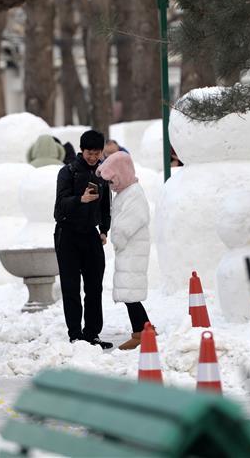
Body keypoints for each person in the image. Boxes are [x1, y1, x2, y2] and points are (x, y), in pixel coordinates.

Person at [53, 130, 113, 349]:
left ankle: (92, 333)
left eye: (97, 153)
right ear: (82, 150)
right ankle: (75, 335)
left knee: (94, 287)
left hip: (91, 234)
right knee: (71, 287)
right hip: (67, 234)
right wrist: (81, 199)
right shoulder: (67, 171)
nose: (93, 157)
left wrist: (104, 230)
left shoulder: (102, 173)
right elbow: (59, 206)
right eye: (90, 153)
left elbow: (106, 206)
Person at [96, 150, 153, 350]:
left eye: (112, 180)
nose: (111, 185)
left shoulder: (134, 193)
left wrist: (117, 237)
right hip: (128, 251)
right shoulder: (125, 193)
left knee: (131, 294)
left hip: (133, 249)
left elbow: (131, 220)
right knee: (129, 293)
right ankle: (143, 330)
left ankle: (143, 333)